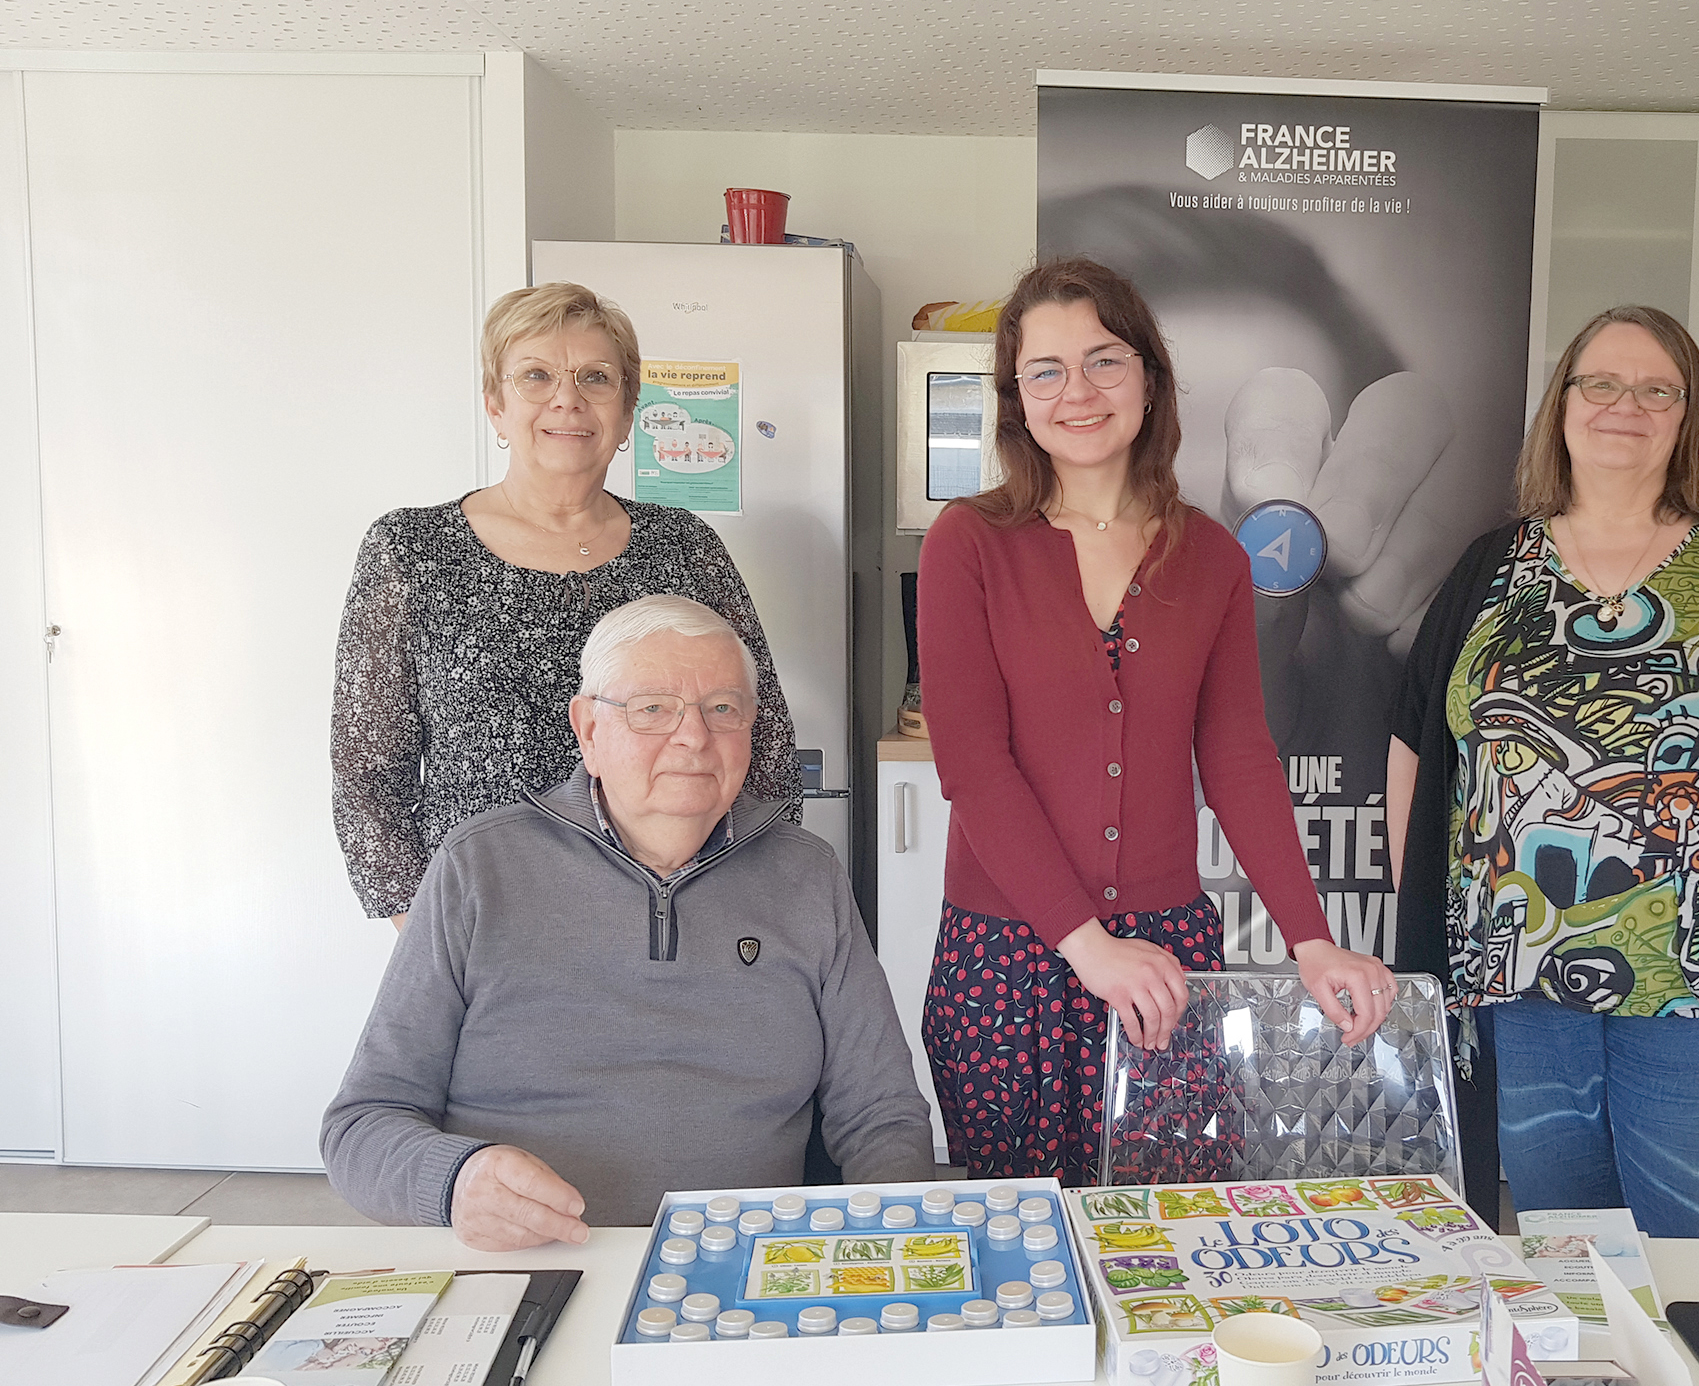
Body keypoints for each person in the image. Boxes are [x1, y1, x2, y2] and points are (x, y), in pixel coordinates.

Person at [1386, 304, 1699, 1239]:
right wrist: (1424, 907)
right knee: (1565, 1249)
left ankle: (1691, 1351)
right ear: (1563, 403)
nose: (1626, 406)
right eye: (1602, 383)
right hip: (1516, 979)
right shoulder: (1491, 567)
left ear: (1686, 416)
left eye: (1658, 389)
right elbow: (1419, 744)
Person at [917, 256, 1398, 1186]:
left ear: (1148, 377)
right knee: (1026, 1228)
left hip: (1167, 954)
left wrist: (1311, 939)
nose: (1077, 391)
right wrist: (1088, 946)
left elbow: (1239, 756)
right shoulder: (969, 543)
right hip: (1006, 957)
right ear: (1017, 400)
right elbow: (974, 765)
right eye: (1045, 371)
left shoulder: (1212, 556)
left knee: (1165, 1225)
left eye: (1104, 360)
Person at [320, 596, 933, 1249]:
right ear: (588, 730)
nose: (693, 736)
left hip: (750, 1263)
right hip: (537, 1262)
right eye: (653, 709)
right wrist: (454, 1181)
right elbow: (361, 1126)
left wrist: (891, 1251)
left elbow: (882, 1114)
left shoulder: (807, 874)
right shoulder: (477, 868)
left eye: (723, 708)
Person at [331, 281, 800, 928]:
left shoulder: (684, 547)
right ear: (495, 405)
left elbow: (765, 738)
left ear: (628, 412)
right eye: (536, 376)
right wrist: (426, 932)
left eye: (596, 378)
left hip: (675, 920)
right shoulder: (411, 551)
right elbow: (367, 772)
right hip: (488, 922)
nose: (567, 399)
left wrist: (757, 899)